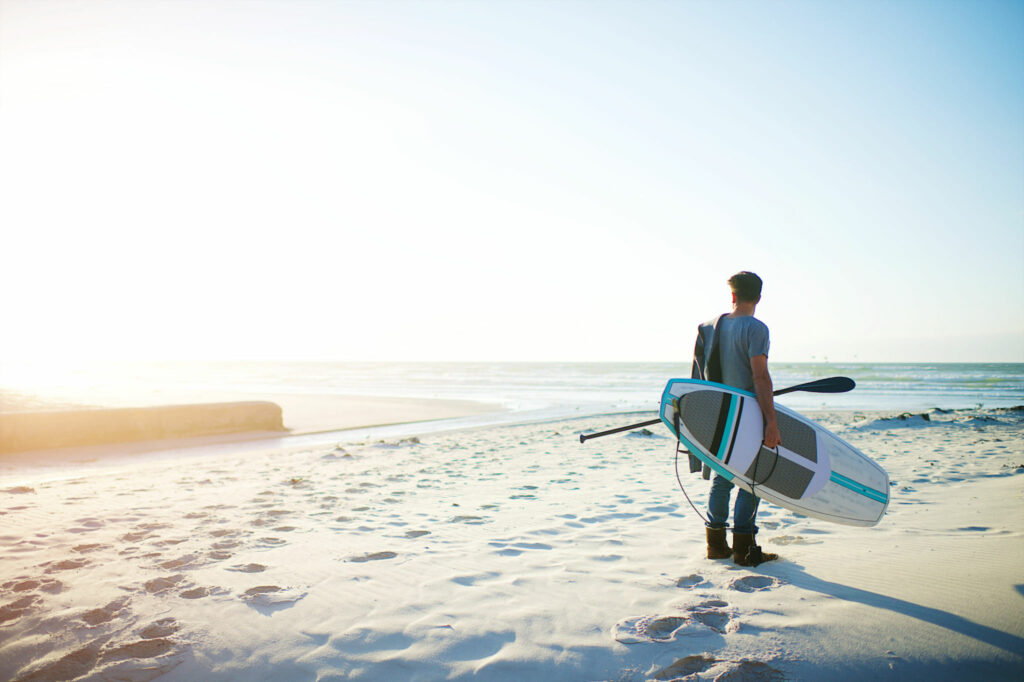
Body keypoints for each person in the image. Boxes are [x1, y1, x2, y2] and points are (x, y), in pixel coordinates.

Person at [691, 271, 781, 566]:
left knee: (722, 476)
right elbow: (760, 377)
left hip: (718, 413)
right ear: (758, 298)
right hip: (747, 414)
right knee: (751, 480)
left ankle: (715, 544)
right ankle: (744, 548)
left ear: (733, 296)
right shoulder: (756, 329)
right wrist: (771, 421)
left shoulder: (708, 328)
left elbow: (698, 377)